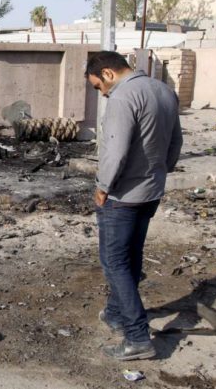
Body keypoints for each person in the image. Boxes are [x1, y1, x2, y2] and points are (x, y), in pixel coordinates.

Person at [85, 51, 183, 361]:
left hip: (122, 196)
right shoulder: (164, 90)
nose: (102, 93)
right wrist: (159, 172)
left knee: (114, 262)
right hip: (151, 192)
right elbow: (176, 142)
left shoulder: (123, 96)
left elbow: (115, 148)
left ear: (108, 74)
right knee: (131, 256)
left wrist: (103, 185)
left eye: (99, 86)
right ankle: (116, 313)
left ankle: (138, 337)